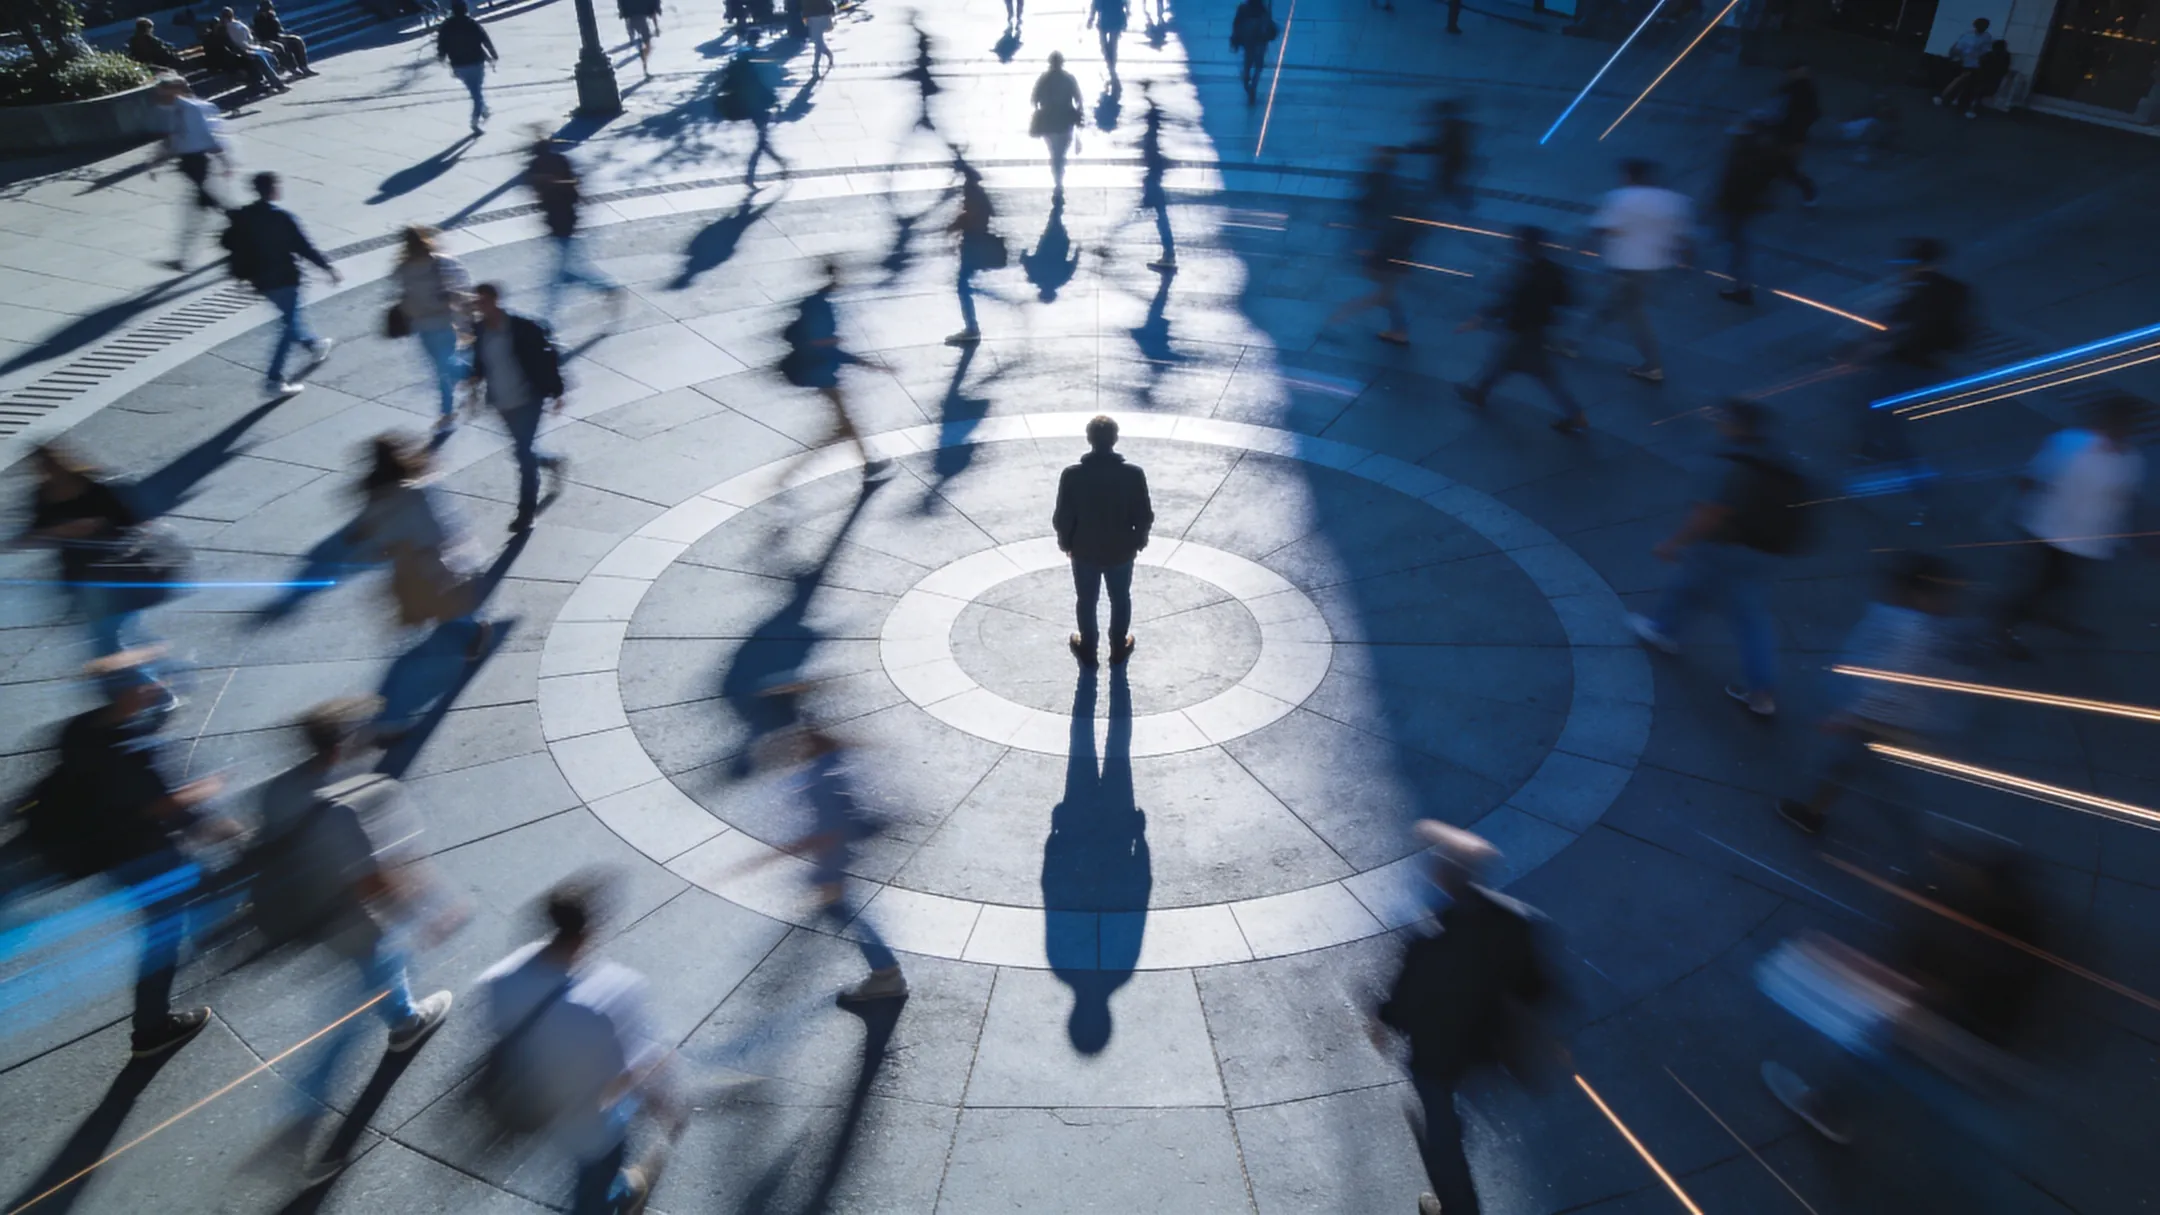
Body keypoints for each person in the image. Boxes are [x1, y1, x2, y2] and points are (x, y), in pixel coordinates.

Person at [251, 697, 455, 1180]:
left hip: (308, 919)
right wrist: (428, 914)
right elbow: (372, 881)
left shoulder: (276, 791)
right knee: (341, 1029)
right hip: (355, 925)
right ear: (342, 743)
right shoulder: (343, 808)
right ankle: (298, 1125)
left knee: (380, 972)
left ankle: (405, 1020)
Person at [54, 657, 238, 1059]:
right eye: (145, 683)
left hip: (106, 852)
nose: (155, 686)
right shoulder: (132, 749)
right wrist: (206, 798)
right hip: (147, 856)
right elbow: (163, 806)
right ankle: (150, 1028)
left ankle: (217, 921)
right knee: (163, 933)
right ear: (127, 693)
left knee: (199, 891)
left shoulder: (78, 730)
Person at [1371, 823, 1553, 1215]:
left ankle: (1455, 1207)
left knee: (1441, 1136)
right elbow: (1537, 987)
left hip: (1438, 1057)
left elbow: (1403, 1001)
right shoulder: (1516, 920)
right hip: (1487, 1047)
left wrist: (1379, 1021)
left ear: (1441, 878)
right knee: (1452, 1118)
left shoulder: (1429, 938)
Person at [479, 875, 678, 1215]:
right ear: (590, 930)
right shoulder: (614, 993)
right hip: (589, 1124)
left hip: (535, 1104)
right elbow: (628, 1075)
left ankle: (615, 1189)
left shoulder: (500, 978)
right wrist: (667, 1107)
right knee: (594, 1177)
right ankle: (614, 1196)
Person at [1775, 553, 1969, 842]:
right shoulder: (1933, 628)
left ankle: (1938, 855)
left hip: (1881, 719)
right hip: (1902, 717)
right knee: (1852, 765)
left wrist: (1850, 714)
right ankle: (1813, 810)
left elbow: (1887, 681)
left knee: (1883, 783)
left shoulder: (1907, 629)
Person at [1628, 397, 1798, 716]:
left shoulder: (1728, 461)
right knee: (1748, 615)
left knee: (1695, 585)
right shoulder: (1775, 455)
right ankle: (1760, 691)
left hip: (1726, 548)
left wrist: (1674, 542)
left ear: (1734, 425)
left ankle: (1664, 630)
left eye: (1723, 417)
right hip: (1767, 550)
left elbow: (1710, 514)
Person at [1994, 396, 2148, 660]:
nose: (2123, 430)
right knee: (2038, 586)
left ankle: (2047, 617)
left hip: (2090, 542)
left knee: (2066, 583)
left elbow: (2125, 498)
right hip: (2051, 533)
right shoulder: (2069, 444)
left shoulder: (2131, 460)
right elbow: (2030, 478)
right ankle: (2005, 629)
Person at [768, 726, 908, 1002]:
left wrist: (786, 854)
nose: (792, 751)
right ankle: (884, 973)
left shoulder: (819, 780)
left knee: (845, 911)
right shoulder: (834, 764)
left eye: (796, 744)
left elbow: (829, 830)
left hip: (835, 857)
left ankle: (886, 974)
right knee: (838, 908)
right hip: (843, 851)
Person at [19, 444, 162, 679]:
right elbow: (29, 535)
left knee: (108, 639)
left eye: (50, 463)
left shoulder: (94, 487)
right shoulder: (42, 496)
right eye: (41, 467)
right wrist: (60, 530)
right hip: (79, 578)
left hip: (114, 573)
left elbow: (135, 524)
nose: (47, 470)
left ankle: (152, 688)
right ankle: (156, 668)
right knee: (118, 634)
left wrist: (97, 526)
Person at [349, 434, 494, 661]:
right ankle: (473, 625)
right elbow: (437, 527)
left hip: (419, 561)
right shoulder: (413, 490)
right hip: (421, 558)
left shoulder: (384, 493)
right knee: (436, 603)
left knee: (442, 601)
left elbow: (378, 529)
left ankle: (477, 627)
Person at [1851, 237, 1970, 504]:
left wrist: (1869, 349)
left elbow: (1901, 330)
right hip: (1928, 364)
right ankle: (1869, 446)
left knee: (1891, 426)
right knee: (1874, 407)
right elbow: (1962, 335)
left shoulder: (1917, 294)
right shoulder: (1957, 291)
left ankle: (1919, 485)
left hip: (1907, 364)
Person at [1455, 225, 1586, 433]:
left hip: (1523, 331)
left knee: (1525, 368)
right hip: (1537, 329)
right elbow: (1566, 299)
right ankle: (1479, 392)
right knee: (1507, 364)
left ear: (1525, 245)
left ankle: (1575, 414)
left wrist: (1480, 318)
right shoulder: (1551, 270)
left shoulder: (1527, 272)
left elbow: (1510, 301)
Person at [223, 171, 341, 397]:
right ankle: (273, 380)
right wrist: (328, 268)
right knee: (288, 328)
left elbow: (228, 242)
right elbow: (303, 247)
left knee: (291, 318)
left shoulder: (245, 216)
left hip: (261, 280)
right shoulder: (282, 217)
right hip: (285, 278)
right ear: (273, 189)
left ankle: (314, 345)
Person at [1052, 415, 1154, 665]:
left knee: (1086, 600)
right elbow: (1144, 514)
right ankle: (1118, 647)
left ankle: (1088, 647)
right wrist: (1138, 540)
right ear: (1115, 439)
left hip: (1084, 550)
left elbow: (1063, 516)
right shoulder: (1133, 474)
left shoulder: (1072, 475)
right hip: (1121, 550)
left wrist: (1067, 543)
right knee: (1121, 598)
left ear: (1089, 439)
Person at [1580, 158, 1692, 385]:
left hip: (1626, 267)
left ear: (1629, 176)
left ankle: (1653, 365)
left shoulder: (1620, 198)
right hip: (1653, 267)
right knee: (1613, 306)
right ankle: (1577, 341)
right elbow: (1684, 238)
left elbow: (1602, 229)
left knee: (1633, 315)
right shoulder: (1673, 201)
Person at [467, 284, 568, 532]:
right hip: (502, 403)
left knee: (523, 455)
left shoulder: (524, 328)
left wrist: (557, 391)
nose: (479, 307)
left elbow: (547, 359)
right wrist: (474, 383)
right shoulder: (479, 331)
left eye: (483, 301)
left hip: (528, 400)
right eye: (476, 303)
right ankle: (551, 462)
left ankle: (526, 512)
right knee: (522, 452)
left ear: (495, 300)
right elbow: (481, 362)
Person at [779, 262, 886, 480]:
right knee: (846, 422)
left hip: (819, 372)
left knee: (845, 423)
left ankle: (866, 460)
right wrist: (868, 364)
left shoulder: (814, 303)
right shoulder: (820, 307)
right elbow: (826, 348)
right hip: (820, 373)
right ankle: (867, 463)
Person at [1325, 146, 1419, 346]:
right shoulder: (1394, 187)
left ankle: (1342, 316)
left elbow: (1373, 215)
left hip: (1387, 250)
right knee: (1386, 291)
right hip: (1393, 250)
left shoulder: (1381, 186)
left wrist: (1367, 245)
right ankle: (1398, 330)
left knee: (1384, 291)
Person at [528, 139, 624, 325]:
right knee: (565, 272)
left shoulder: (547, 168)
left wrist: (549, 185)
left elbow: (568, 188)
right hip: (563, 223)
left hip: (562, 224)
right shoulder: (557, 163)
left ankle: (547, 319)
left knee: (563, 274)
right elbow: (571, 189)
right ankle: (606, 288)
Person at [391, 225, 472, 434]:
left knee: (442, 368)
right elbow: (461, 282)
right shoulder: (438, 262)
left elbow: (400, 294)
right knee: (445, 367)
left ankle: (448, 410)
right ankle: (470, 376)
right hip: (443, 322)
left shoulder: (403, 269)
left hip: (425, 326)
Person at [149, 77, 229, 273]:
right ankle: (184, 257)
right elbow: (173, 140)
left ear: (175, 91)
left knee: (202, 209)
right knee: (206, 207)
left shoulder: (189, 110)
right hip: (189, 164)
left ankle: (183, 258)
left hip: (196, 163)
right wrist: (156, 162)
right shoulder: (176, 111)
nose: (159, 98)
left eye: (162, 93)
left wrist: (225, 160)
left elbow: (204, 135)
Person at [1710, 119, 1781, 306]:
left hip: (1736, 208)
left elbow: (1731, 185)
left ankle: (1742, 288)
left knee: (1737, 248)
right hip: (1745, 208)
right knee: (1738, 246)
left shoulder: (1741, 158)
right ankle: (1741, 285)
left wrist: (1720, 204)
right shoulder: (1758, 154)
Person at [945, 162, 1002, 346]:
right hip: (973, 245)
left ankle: (972, 328)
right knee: (964, 286)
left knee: (963, 286)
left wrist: (956, 225)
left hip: (972, 246)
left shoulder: (972, 192)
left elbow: (973, 218)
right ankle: (971, 327)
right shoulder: (976, 191)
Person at [436, 0, 498, 133]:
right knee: (477, 92)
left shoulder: (446, 26)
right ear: (465, 9)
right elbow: (485, 40)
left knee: (474, 89)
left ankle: (484, 109)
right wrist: (493, 55)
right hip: (476, 62)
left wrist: (441, 57)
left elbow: (442, 45)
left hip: (458, 65)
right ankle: (475, 121)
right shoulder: (471, 24)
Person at [1030, 52, 1084, 201]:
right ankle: (1059, 176)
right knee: (1061, 150)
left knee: (1053, 150)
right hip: (1065, 119)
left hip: (1049, 120)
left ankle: (1057, 177)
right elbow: (1078, 99)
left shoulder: (1044, 79)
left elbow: (1034, 99)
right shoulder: (1069, 79)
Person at [1768, 62, 1819, 206]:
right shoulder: (1793, 87)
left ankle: (1809, 191)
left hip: (1793, 135)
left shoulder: (1806, 89)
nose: (1790, 74)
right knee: (1777, 165)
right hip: (1785, 133)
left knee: (1786, 167)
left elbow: (1812, 114)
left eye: (1793, 71)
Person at [1137, 89, 1176, 272]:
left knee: (1161, 216)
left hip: (1153, 179)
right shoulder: (1152, 138)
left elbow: (1151, 157)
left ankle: (1169, 254)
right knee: (1161, 216)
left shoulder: (1151, 139)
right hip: (1154, 177)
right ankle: (1168, 253)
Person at [1415, 96, 1475, 209]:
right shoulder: (1454, 126)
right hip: (1456, 160)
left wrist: (1420, 149)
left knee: (1446, 183)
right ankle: (1462, 202)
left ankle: (1464, 203)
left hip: (1453, 160)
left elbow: (1442, 146)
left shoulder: (1449, 127)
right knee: (1447, 183)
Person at [219, 6, 291, 87]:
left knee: (270, 51)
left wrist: (257, 46)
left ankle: (276, 76)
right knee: (261, 57)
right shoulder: (229, 27)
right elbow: (240, 43)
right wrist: (253, 47)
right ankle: (277, 83)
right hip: (244, 50)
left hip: (251, 45)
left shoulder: (235, 23)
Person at [1229, 0, 1279, 103]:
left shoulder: (1243, 9)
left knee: (1248, 63)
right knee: (1258, 65)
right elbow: (1269, 25)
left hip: (1249, 42)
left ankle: (1248, 83)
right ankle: (1253, 86)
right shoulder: (1262, 10)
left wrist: (1235, 38)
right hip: (1260, 41)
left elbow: (1236, 24)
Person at [1947, 38, 2012, 116]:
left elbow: (1991, 68)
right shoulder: (1996, 56)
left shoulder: (1996, 56)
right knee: (1968, 79)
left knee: (1973, 84)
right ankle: (1960, 101)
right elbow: (1980, 63)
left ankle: (1966, 104)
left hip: (1989, 81)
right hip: (1986, 79)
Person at [1937, 18, 1992, 108]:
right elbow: (1958, 48)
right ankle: (1946, 97)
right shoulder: (1968, 35)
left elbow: (1985, 51)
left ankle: (1952, 99)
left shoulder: (1986, 37)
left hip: (1975, 63)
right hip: (1965, 61)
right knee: (1960, 80)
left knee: (1964, 82)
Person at [251, 0, 311, 76]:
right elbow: (260, 33)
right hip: (265, 40)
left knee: (297, 40)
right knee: (279, 46)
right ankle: (291, 68)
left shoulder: (271, 15)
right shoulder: (258, 18)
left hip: (276, 36)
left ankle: (303, 66)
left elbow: (278, 29)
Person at [1089, 0, 1129, 89]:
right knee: (1112, 45)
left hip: (1106, 18)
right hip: (1114, 18)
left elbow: (1095, 3)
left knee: (1107, 46)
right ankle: (1111, 66)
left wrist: (1091, 18)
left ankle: (1111, 66)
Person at [619, 0, 661, 76]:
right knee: (647, 44)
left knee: (643, 41)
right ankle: (644, 65)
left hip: (631, 19)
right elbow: (653, 9)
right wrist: (656, 27)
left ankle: (635, 42)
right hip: (641, 19)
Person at [801, 0, 834, 75]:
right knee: (818, 41)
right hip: (820, 14)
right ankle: (828, 54)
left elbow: (804, 4)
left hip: (815, 16)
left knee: (818, 41)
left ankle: (816, 64)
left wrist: (804, 16)